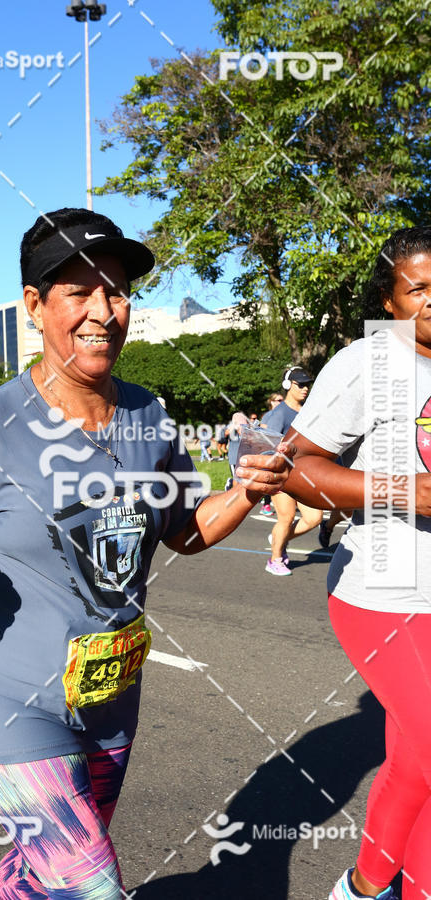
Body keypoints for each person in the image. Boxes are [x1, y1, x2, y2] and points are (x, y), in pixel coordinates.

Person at [0, 208, 294, 900]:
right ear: (34, 305)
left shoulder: (150, 416)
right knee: (90, 884)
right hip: (2, 697)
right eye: (79, 292)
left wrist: (243, 492)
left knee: (44, 870)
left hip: (109, 693)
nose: (103, 312)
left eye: (116, 292)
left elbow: (184, 530)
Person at [284, 226, 431, 900]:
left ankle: (363, 890)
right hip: (383, 593)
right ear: (390, 300)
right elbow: (296, 466)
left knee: (415, 763)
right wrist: (404, 491)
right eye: (418, 288)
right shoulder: (367, 362)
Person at [261, 366, 323, 575]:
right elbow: (266, 445)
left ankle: (279, 539)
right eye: (301, 384)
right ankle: (274, 560)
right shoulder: (279, 414)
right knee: (286, 518)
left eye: (308, 385)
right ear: (288, 385)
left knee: (314, 518)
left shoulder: (306, 411)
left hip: (302, 475)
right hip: (281, 475)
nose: (305, 389)